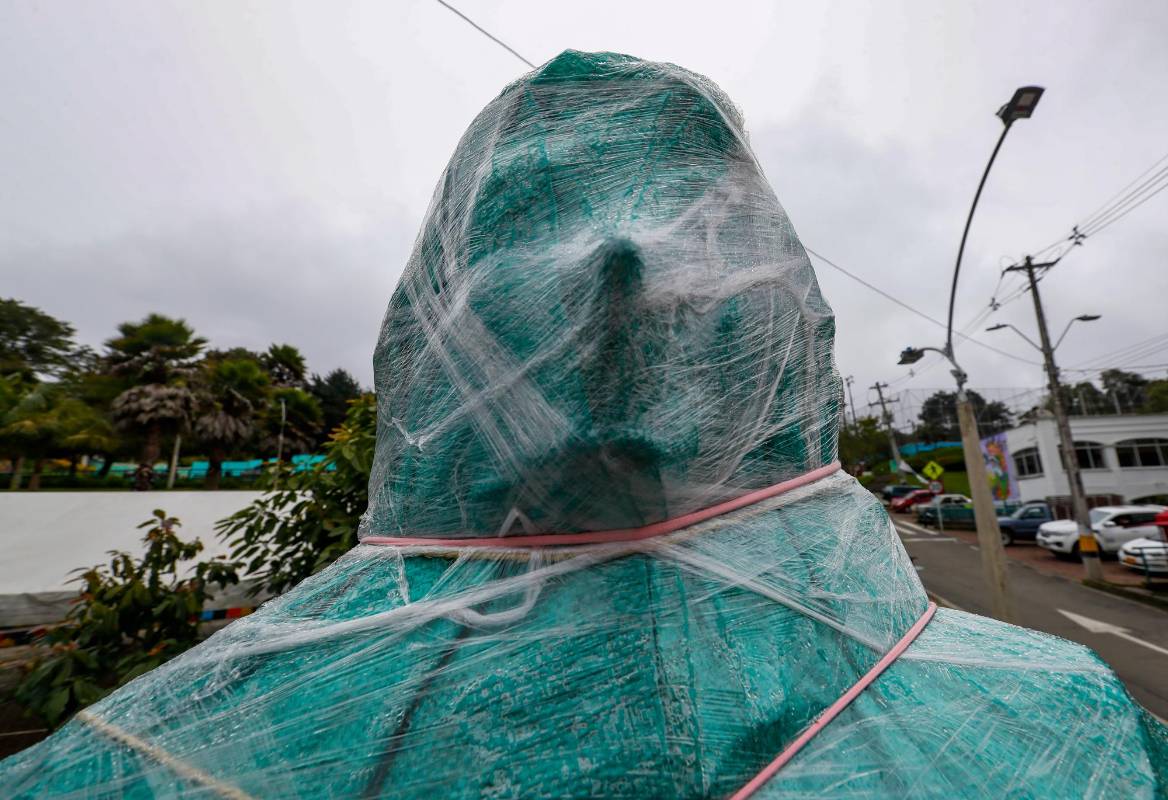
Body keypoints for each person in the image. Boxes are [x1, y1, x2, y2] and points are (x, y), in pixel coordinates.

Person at [3, 50, 1165, 799]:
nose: (618, 268)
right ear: (794, 325)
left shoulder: (142, 755)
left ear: (426, 328)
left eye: (682, 238)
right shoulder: (1055, 719)